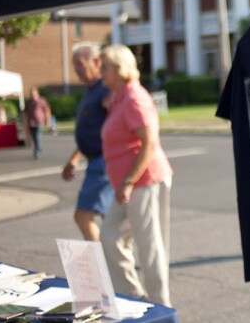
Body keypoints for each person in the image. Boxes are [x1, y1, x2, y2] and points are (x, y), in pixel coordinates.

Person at [99, 44, 173, 307]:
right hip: (128, 185)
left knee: (149, 248)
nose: (101, 72)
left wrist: (129, 181)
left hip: (144, 180)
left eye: (105, 67)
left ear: (120, 69)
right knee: (109, 237)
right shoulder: (119, 98)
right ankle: (133, 297)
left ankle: (161, 307)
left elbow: (149, 143)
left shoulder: (134, 98)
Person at [62, 42, 114, 242]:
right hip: (96, 160)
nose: (76, 70)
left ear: (96, 61)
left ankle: (102, 266)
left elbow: (116, 127)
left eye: (79, 64)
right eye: (74, 65)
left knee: (83, 215)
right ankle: (111, 264)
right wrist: (74, 158)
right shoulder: (91, 90)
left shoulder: (105, 89)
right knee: (108, 218)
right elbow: (92, 131)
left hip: (104, 163)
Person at [24, 86, 52, 159]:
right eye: (31, 93)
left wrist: (48, 121)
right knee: (34, 138)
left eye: (34, 93)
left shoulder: (41, 101)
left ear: (37, 93)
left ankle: (37, 151)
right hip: (31, 122)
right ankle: (38, 149)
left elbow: (47, 111)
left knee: (37, 137)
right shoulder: (29, 102)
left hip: (39, 122)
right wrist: (25, 123)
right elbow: (25, 112)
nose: (33, 95)